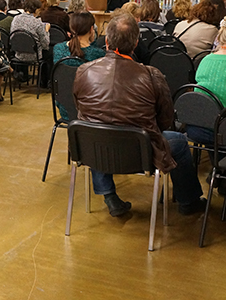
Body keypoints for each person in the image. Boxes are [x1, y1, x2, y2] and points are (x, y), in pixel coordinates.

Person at [73, 12, 205, 217]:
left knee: (96, 127)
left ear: (106, 41)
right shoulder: (152, 75)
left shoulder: (83, 71)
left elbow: (81, 108)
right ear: (135, 43)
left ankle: (109, 195)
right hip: (140, 151)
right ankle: (188, 201)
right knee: (179, 141)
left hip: (95, 148)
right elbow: (166, 120)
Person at [53, 12, 105, 120]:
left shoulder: (58, 49)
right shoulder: (98, 54)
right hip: (90, 112)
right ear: (91, 29)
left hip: (65, 109)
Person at [10, 0, 51, 84]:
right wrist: (46, 31)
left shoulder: (15, 19)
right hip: (34, 56)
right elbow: (45, 44)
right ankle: (44, 82)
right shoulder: (37, 23)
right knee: (50, 53)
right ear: (36, 10)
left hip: (18, 54)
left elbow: (12, 37)